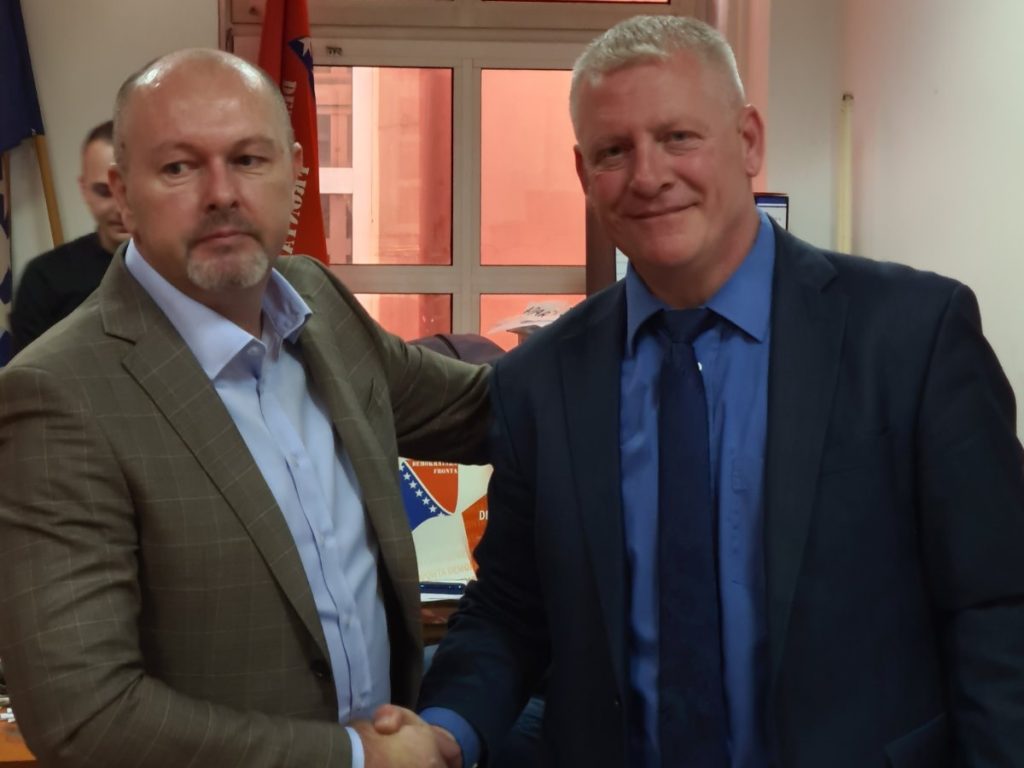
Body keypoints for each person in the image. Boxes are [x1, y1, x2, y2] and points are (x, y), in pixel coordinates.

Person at [413, 14, 1024, 768]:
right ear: (583, 174)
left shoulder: (911, 336)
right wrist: (445, 728)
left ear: (749, 141)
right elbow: (512, 605)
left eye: (678, 137)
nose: (648, 176)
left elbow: (998, 608)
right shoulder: (540, 380)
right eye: (613, 151)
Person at [0, 49, 489, 768]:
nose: (222, 193)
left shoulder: (317, 303)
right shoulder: (57, 393)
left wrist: (637, 323)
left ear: (294, 174)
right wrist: (354, 759)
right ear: (122, 196)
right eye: (179, 167)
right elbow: (86, 715)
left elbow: (482, 409)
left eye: (249, 159)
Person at [10, 120, 129, 351]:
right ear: (84, 189)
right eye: (104, 191)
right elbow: (28, 372)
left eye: (127, 189)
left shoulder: (184, 267)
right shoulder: (43, 279)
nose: (119, 207)